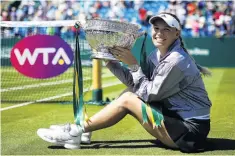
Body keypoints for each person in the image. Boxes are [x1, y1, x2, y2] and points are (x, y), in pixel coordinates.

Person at [37, 12, 212, 153]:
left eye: (166, 29)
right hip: (176, 121)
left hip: (191, 133)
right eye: (156, 28)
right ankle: (83, 131)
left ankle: (75, 132)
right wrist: (110, 61)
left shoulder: (176, 60)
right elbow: (136, 84)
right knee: (129, 92)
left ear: (177, 33)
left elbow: (149, 94)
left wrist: (133, 65)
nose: (159, 33)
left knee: (128, 99)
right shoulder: (157, 55)